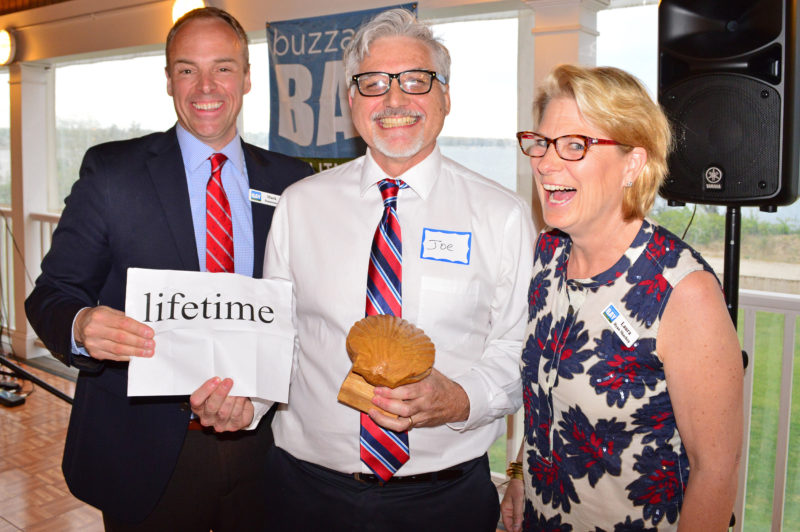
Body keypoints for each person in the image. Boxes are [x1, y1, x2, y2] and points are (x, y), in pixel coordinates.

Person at [24, 7, 312, 530]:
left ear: (247, 78)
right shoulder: (112, 172)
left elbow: (303, 309)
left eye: (223, 68)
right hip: (145, 449)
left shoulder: (293, 180)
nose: (206, 86)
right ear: (168, 80)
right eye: (187, 69)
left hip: (263, 446)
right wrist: (81, 326)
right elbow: (52, 293)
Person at [249, 8, 535, 531]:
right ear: (351, 101)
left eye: (416, 81)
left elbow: (518, 350)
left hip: (443, 498)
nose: (396, 100)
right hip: (303, 493)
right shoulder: (299, 206)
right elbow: (277, 337)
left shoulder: (503, 215)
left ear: (446, 97)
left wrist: (460, 398)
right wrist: (243, 401)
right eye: (374, 83)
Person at [500, 64, 743, 531]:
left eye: (576, 145)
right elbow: (541, 398)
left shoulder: (681, 292)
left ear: (633, 163)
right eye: (541, 143)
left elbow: (717, 471)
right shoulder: (549, 255)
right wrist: (519, 473)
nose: (547, 164)